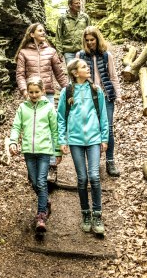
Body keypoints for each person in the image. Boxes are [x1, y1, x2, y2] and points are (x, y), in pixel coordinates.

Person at [57, 58, 108, 235]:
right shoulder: (67, 92)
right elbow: (61, 117)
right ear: (75, 73)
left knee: (94, 176)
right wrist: (62, 140)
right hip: (75, 141)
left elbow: (103, 117)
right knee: (82, 179)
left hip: (94, 139)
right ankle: (85, 214)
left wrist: (104, 138)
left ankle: (98, 215)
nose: (88, 69)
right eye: (84, 67)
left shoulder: (96, 90)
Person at [15, 23, 68, 183]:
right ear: (31, 34)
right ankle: (35, 166)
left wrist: (70, 90)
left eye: (44, 30)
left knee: (50, 128)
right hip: (30, 96)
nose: (43, 32)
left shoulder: (51, 51)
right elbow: (20, 75)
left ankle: (51, 166)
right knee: (32, 129)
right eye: (40, 30)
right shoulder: (23, 53)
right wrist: (25, 91)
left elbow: (60, 73)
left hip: (48, 95)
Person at [9, 77, 61, 233]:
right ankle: (45, 202)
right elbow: (16, 126)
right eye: (31, 92)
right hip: (28, 151)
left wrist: (57, 150)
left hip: (44, 150)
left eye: (36, 92)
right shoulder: (23, 108)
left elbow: (55, 130)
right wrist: (13, 141)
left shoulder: (49, 108)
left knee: (41, 181)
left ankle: (41, 216)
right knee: (33, 180)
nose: (33, 95)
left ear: (43, 91)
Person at [77, 26, 123, 177]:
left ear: (97, 39)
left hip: (106, 96)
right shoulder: (80, 55)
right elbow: (76, 78)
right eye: (87, 40)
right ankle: (94, 162)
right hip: (88, 98)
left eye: (92, 39)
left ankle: (110, 161)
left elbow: (113, 76)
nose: (90, 43)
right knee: (91, 128)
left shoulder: (106, 55)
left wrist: (119, 94)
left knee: (108, 128)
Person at [56, 0, 90, 64]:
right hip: (68, 51)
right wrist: (59, 51)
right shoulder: (62, 18)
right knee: (72, 72)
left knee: (83, 72)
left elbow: (90, 33)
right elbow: (58, 36)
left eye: (79, 3)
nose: (79, 5)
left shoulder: (85, 17)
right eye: (76, 3)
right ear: (70, 5)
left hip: (83, 50)